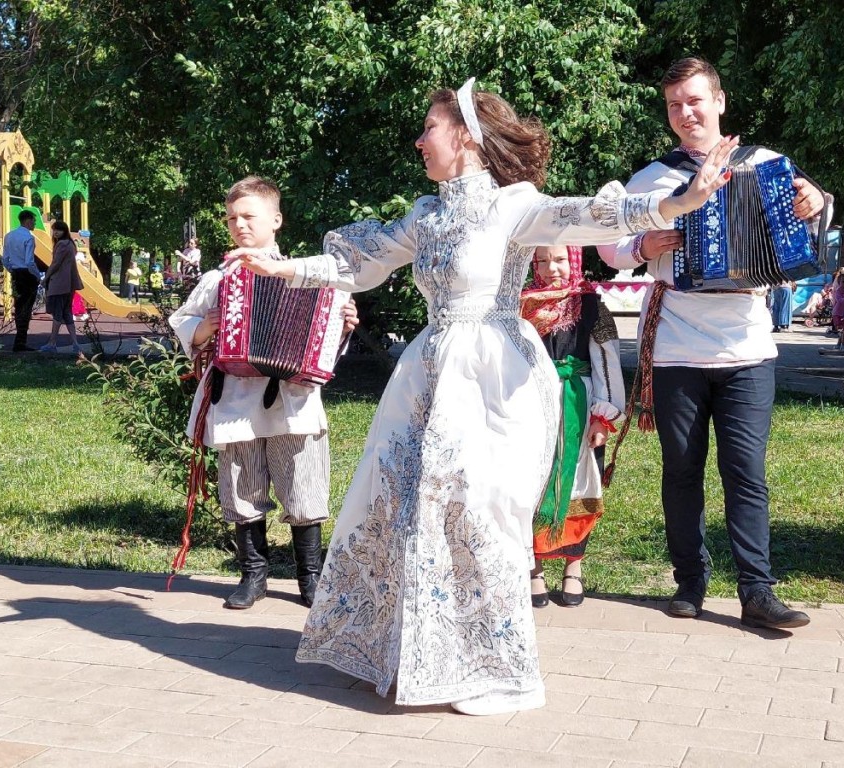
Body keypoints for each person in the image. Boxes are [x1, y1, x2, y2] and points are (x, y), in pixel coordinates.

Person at [225, 79, 736, 715]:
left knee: (479, 512)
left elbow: (586, 215)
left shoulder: (512, 205)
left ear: (465, 136)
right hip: (428, 373)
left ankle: (490, 664)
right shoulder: (427, 214)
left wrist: (682, 200)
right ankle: (413, 652)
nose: (419, 140)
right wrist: (283, 268)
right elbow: (363, 261)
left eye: (429, 129)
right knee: (408, 505)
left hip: (495, 379)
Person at [597, 57, 825, 630]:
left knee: (746, 472)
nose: (685, 113)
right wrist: (646, 244)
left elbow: (807, 232)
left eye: (695, 100)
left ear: (719, 101)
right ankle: (690, 582)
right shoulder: (654, 178)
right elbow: (610, 246)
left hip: (748, 345)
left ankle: (757, 591)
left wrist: (815, 203)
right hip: (677, 347)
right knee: (681, 469)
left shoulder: (767, 165)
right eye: (675, 104)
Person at [169, 176, 359, 613]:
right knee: (241, 485)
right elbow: (183, 323)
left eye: (249, 216)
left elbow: (328, 343)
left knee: (303, 486)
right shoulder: (218, 279)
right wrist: (208, 326)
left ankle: (309, 577)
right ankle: (253, 574)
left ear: (275, 219)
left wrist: (343, 326)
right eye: (232, 217)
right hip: (235, 398)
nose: (239, 225)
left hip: (293, 399)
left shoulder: (308, 274)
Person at [521, 244, 624, 609]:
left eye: (560, 259)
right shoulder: (520, 306)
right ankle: (532, 568)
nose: (552, 268)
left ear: (574, 259)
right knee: (533, 482)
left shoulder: (591, 305)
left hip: (580, 404)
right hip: (531, 405)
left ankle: (573, 568)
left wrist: (603, 415)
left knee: (582, 480)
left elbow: (607, 360)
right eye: (543, 260)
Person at [39, 220, 84, 357]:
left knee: (57, 313)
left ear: (64, 231)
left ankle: (52, 343)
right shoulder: (71, 244)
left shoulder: (62, 244)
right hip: (69, 283)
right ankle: (75, 343)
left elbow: (56, 263)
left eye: (59, 230)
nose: (56, 232)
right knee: (67, 313)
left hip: (60, 283)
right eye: (54, 230)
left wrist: (46, 278)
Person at [1, 210, 41, 352]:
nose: (34, 224)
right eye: (34, 221)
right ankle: (21, 341)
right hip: (28, 274)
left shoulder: (9, 236)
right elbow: (30, 261)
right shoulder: (29, 238)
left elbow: (5, 259)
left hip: (17, 273)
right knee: (27, 307)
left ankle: (19, 339)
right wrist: (38, 276)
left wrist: (12, 270)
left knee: (19, 306)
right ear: (28, 221)